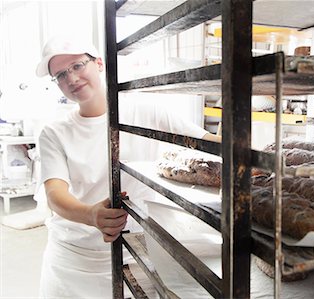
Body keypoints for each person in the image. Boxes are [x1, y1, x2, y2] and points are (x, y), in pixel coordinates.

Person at [35, 35, 220, 298]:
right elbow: (55, 195)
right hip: (74, 259)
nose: (71, 79)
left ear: (99, 63)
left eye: (77, 66)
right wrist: (91, 215)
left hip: (139, 252)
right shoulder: (55, 133)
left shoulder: (147, 111)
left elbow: (204, 142)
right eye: (61, 75)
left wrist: (261, 152)